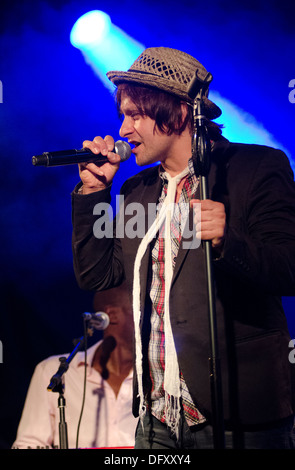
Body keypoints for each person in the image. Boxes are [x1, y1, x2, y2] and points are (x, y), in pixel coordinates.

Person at [71, 47, 295, 449]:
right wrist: (94, 192)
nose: (123, 130)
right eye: (123, 115)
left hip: (236, 414)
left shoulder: (254, 168)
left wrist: (230, 241)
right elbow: (98, 275)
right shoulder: (138, 191)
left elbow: (289, 267)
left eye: (135, 115)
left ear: (176, 113)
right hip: (155, 418)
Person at [12, 283, 137, 449]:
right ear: (111, 315)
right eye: (143, 310)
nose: (156, 319)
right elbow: (28, 444)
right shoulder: (53, 371)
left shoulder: (160, 377)